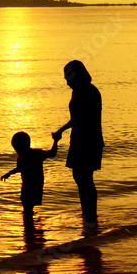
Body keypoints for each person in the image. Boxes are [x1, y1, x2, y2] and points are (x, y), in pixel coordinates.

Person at [53, 59, 103, 229]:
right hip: (82, 139)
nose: (67, 82)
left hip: (87, 140)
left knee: (84, 178)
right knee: (82, 177)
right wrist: (62, 129)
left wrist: (68, 131)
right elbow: (77, 118)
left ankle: (90, 216)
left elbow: (84, 119)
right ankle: (88, 215)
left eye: (68, 79)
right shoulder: (83, 91)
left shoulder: (87, 92)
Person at [0, 131, 60, 219]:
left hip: (34, 185)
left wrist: (55, 141)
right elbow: (20, 168)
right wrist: (9, 173)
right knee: (27, 207)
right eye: (15, 149)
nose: (17, 151)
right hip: (26, 185)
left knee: (28, 207)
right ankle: (31, 225)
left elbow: (52, 153)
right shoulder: (21, 156)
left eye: (17, 148)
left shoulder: (35, 153)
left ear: (26, 145)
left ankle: (30, 227)